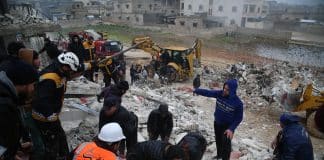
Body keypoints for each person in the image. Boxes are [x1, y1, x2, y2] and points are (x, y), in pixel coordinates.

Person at [31, 52, 83, 159]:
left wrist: (90, 64)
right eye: (70, 70)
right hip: (44, 119)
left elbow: (78, 69)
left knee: (61, 139)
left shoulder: (60, 72)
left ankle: (64, 156)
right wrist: (50, 114)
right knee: (52, 145)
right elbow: (41, 100)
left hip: (53, 116)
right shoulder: (49, 79)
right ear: (64, 66)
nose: (71, 73)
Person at [193, 79, 243, 160]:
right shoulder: (220, 94)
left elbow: (239, 118)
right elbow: (208, 92)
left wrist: (231, 129)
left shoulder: (238, 103)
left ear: (233, 90)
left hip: (227, 127)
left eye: (227, 89)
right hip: (217, 123)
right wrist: (195, 90)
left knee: (226, 145)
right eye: (224, 88)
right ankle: (219, 156)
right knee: (218, 141)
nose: (224, 90)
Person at [0, 59, 38, 160]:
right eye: (33, 85)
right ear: (24, 84)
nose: (33, 89)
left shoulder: (7, 96)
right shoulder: (4, 106)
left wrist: (14, 149)